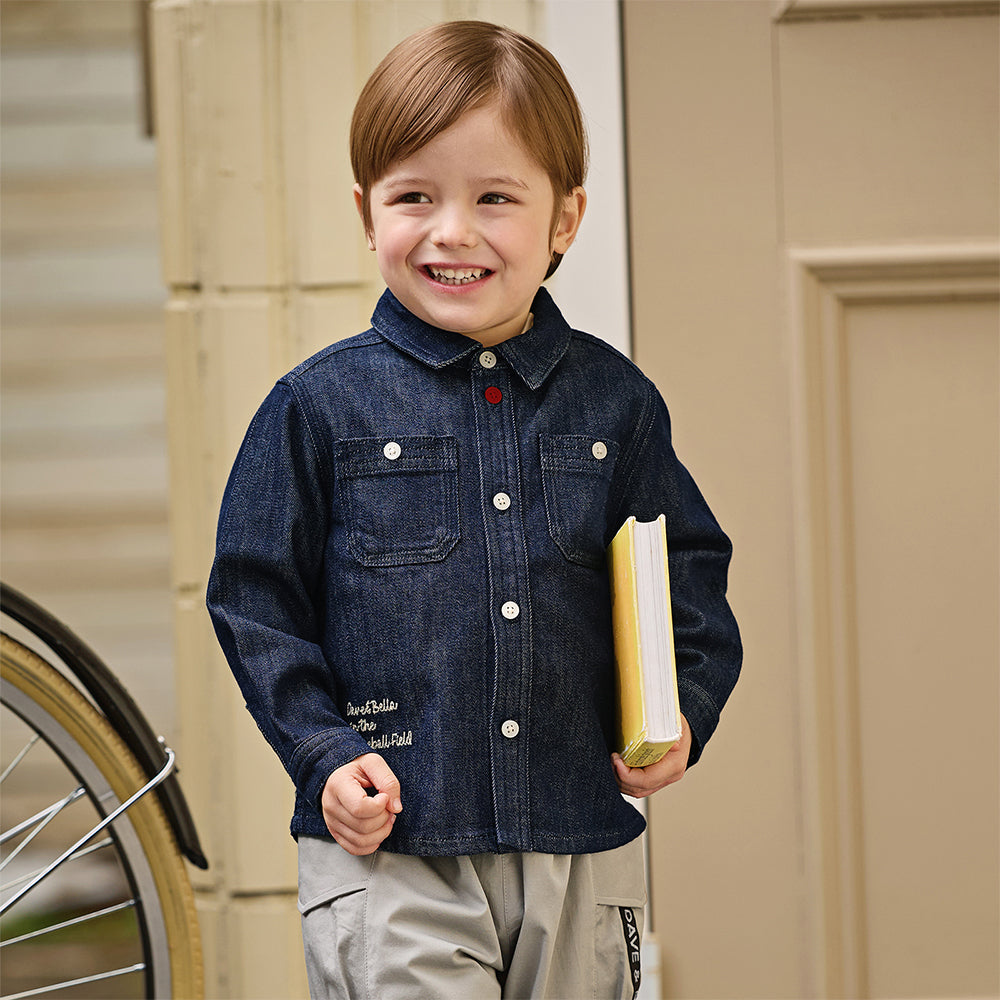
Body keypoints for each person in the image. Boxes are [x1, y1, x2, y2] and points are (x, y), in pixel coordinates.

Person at [207, 19, 741, 1000]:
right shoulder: (317, 408)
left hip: (578, 842)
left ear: (565, 219)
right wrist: (323, 753)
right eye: (415, 196)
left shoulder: (616, 406)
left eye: (494, 197)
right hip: (391, 846)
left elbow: (688, 571)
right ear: (367, 212)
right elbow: (255, 600)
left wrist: (683, 714)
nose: (452, 230)